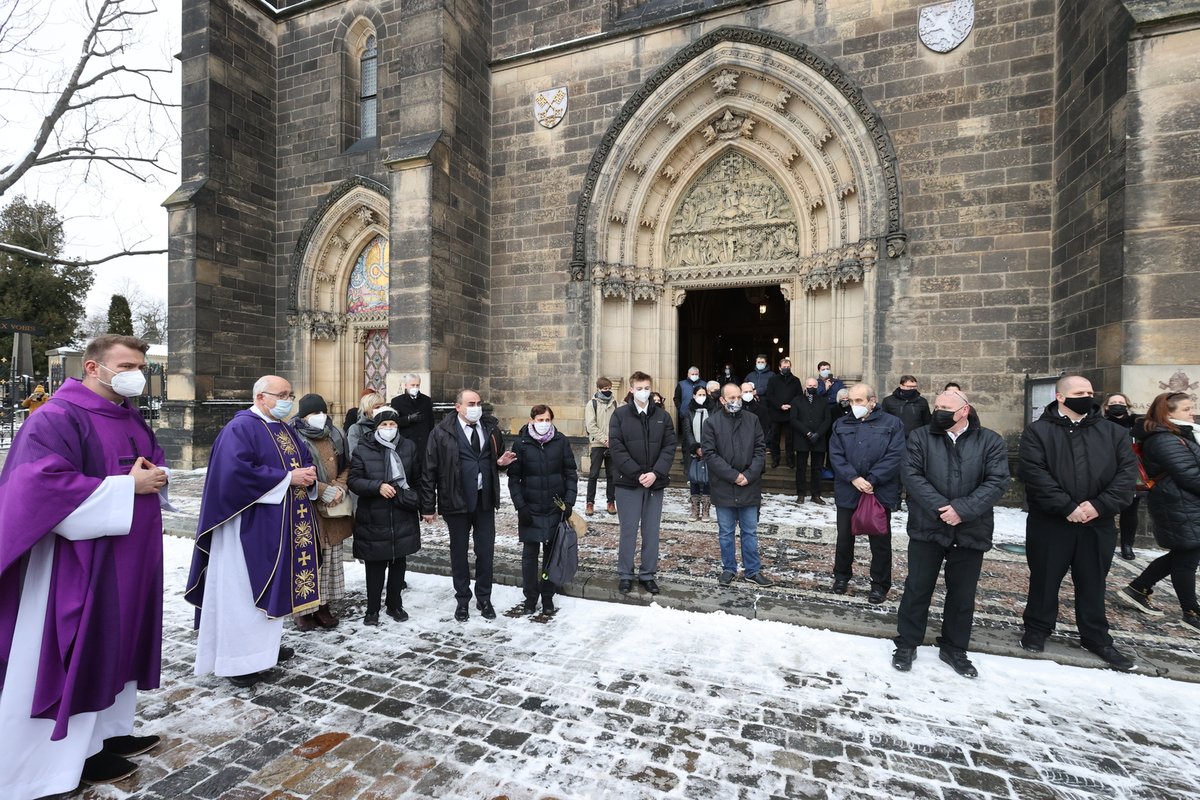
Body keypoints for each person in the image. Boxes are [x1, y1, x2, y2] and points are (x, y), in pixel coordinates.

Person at [0, 335, 169, 796]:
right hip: (76, 563)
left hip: (128, 557)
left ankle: (106, 733)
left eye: (142, 364)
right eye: (128, 364)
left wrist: (157, 475)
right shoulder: (56, 417)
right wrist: (123, 487)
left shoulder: (128, 414)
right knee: (78, 648)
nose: (139, 372)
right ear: (93, 368)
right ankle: (54, 765)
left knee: (118, 644)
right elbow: (38, 486)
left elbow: (148, 464)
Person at [185, 375, 319, 688]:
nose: (288, 399)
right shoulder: (241, 428)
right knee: (243, 591)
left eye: (290, 393)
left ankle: (263, 650)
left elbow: (301, 458)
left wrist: (308, 473)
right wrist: (289, 478)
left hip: (279, 522)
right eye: (281, 394)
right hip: (246, 526)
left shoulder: (283, 426)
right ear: (261, 397)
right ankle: (238, 660)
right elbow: (234, 474)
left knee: (273, 586)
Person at [1018, 374, 1138, 671]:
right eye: (1080, 391)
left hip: (1097, 522)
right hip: (1051, 522)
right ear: (1061, 397)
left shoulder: (1113, 433)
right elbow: (1034, 474)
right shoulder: (1037, 432)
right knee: (1044, 578)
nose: (1088, 396)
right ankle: (1037, 628)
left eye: (1090, 391)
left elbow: (1126, 475)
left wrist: (1098, 506)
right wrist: (1066, 506)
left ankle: (1096, 637)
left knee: (1093, 581)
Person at [892, 390, 1010, 678]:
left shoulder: (990, 440)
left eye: (946, 407)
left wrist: (963, 510)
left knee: (962, 593)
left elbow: (997, 481)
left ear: (964, 411)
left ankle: (955, 647)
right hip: (928, 525)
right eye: (937, 406)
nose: (939, 411)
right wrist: (943, 508)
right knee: (917, 587)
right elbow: (912, 475)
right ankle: (907, 642)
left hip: (971, 528)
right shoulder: (920, 437)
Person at [420, 389, 516, 621]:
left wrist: (500, 462)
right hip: (455, 501)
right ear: (458, 407)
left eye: (478, 403)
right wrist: (427, 506)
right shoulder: (441, 432)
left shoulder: (490, 427)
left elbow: (494, 458)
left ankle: (484, 597)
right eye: (470, 403)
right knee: (459, 553)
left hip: (484, 501)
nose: (476, 407)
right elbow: (429, 469)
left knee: (486, 552)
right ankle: (462, 599)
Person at [1118, 392, 1200, 632]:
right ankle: (1191, 612)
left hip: (1186, 503)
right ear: (1168, 413)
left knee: (1184, 553)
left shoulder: (1180, 434)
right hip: (1177, 503)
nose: (1192, 412)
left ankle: (1138, 588)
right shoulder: (1164, 439)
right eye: (1186, 409)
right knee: (1187, 557)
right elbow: (1189, 476)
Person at [828, 383, 906, 603]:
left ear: (872, 401)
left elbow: (895, 455)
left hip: (877, 491)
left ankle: (879, 585)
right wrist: (853, 477)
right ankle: (841, 576)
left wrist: (871, 480)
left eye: (859, 401)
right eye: (850, 401)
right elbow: (835, 454)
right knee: (844, 538)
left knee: (880, 540)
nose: (854, 405)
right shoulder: (841, 424)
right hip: (848, 489)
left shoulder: (892, 424)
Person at [349, 408, 421, 626]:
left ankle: (394, 604)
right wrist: (377, 486)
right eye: (384, 425)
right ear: (376, 427)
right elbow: (353, 480)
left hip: (402, 512)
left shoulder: (408, 446)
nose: (389, 429)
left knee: (399, 562)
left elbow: (418, 477)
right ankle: (372, 609)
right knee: (375, 566)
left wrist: (414, 498)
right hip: (373, 515)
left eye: (392, 425)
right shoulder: (363, 448)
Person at [610, 371, 677, 595]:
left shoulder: (662, 416)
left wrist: (656, 473)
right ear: (631, 389)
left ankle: (648, 574)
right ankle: (625, 574)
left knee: (651, 531)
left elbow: (669, 447)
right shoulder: (619, 415)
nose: (644, 391)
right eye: (639, 388)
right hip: (628, 482)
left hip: (654, 483)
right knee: (628, 530)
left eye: (647, 387)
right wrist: (638, 473)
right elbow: (617, 448)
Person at [508, 404, 578, 615]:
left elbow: (570, 473)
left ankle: (547, 595)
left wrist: (569, 502)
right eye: (540, 420)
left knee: (551, 555)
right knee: (530, 555)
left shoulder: (561, 441)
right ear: (532, 421)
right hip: (530, 507)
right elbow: (514, 478)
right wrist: (521, 506)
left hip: (554, 507)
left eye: (547, 419)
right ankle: (530, 596)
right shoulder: (521, 443)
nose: (544, 424)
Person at [292, 393, 352, 632]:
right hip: (307, 506)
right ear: (303, 416)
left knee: (330, 558)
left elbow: (347, 463)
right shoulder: (294, 436)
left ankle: (323, 605)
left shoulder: (336, 434)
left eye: (321, 412)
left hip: (334, 507)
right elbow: (293, 469)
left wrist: (340, 486)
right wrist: (323, 490)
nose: (319, 417)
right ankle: (303, 610)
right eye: (313, 413)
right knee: (309, 559)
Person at [703, 382, 771, 586]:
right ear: (722, 400)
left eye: (739, 397)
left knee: (750, 532)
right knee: (726, 532)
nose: (736, 401)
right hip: (724, 486)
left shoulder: (752, 420)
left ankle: (753, 570)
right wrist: (734, 476)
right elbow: (710, 454)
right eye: (732, 398)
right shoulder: (712, 423)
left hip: (749, 485)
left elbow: (760, 450)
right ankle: (729, 568)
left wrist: (748, 475)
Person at [1102, 392, 1140, 560]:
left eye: (1121, 402)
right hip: (1106, 470)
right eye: (1113, 402)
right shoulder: (1101, 424)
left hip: (1132, 470)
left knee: (1130, 511)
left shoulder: (1137, 425)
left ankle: (1127, 545)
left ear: (1127, 405)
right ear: (1106, 407)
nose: (1117, 405)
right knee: (1105, 508)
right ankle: (1104, 543)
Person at [789, 376, 832, 504]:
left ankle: (816, 494)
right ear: (805, 386)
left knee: (817, 468)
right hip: (802, 438)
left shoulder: (823, 401)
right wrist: (807, 432)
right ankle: (801, 494)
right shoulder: (796, 401)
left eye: (814, 386)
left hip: (819, 439)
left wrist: (818, 434)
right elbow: (793, 419)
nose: (812, 388)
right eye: (810, 386)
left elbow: (827, 419)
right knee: (801, 468)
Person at [584, 377, 618, 516]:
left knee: (612, 475)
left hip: (612, 444)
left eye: (609, 389)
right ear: (599, 389)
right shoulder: (592, 404)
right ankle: (590, 503)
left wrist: (614, 439)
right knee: (593, 474)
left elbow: (617, 422)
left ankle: (611, 502)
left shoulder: (615, 403)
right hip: (598, 444)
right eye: (605, 389)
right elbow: (591, 425)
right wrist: (605, 439)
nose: (608, 391)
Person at [681, 383, 715, 521]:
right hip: (693, 450)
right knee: (694, 478)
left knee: (707, 479)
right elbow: (687, 431)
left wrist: (707, 447)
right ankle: (695, 509)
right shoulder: (689, 411)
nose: (701, 397)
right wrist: (696, 447)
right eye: (699, 394)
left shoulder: (713, 409)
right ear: (694, 396)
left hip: (709, 449)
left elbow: (715, 430)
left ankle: (706, 510)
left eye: (703, 394)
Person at [763, 357, 801, 469]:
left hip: (790, 413)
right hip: (776, 413)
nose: (786, 368)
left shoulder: (796, 380)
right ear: (780, 367)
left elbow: (798, 396)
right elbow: (770, 395)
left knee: (790, 439)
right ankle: (775, 459)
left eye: (788, 367)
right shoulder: (773, 380)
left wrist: (790, 405)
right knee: (775, 438)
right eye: (784, 367)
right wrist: (780, 405)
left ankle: (790, 460)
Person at [390, 373, 434, 467]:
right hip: (406, 440)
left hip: (423, 442)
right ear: (406, 385)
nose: (415, 387)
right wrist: (408, 419)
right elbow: (395, 422)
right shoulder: (397, 401)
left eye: (417, 385)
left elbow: (431, 423)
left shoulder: (426, 400)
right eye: (412, 385)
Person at [347, 391, 387, 456]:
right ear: (367, 409)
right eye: (377, 407)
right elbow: (353, 455)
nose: (381, 410)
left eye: (382, 407)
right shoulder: (356, 429)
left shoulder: (388, 426)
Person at [674, 366, 704, 432]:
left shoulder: (704, 384)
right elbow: (676, 398)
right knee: (686, 435)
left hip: (700, 414)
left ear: (699, 374)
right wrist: (681, 409)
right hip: (685, 414)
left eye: (696, 374)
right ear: (688, 374)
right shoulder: (681, 384)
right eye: (692, 374)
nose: (694, 375)